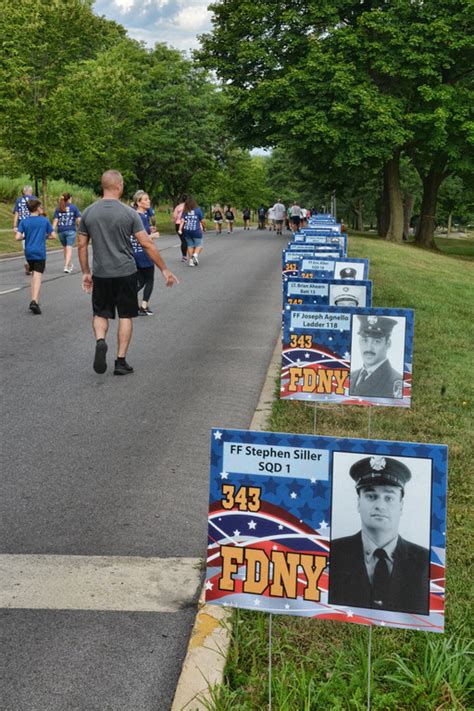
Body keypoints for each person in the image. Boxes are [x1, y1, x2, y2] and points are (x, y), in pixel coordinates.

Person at [77, 170, 178, 376]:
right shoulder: (129, 213)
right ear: (119, 186)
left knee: (100, 313)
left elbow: (81, 246)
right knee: (125, 315)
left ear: (103, 185)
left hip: (102, 273)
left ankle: (100, 340)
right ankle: (120, 361)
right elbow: (147, 244)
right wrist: (164, 269)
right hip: (125, 272)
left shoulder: (88, 212)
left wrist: (86, 272)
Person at [329, 456, 430, 614]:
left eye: (389, 497)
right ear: (358, 502)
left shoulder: (425, 561)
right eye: (371, 496)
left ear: (401, 506)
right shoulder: (331, 552)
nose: (380, 505)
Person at [15, 198, 55, 314]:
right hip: (39, 252)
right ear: (37, 208)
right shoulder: (44, 221)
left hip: (29, 252)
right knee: (37, 277)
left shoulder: (24, 221)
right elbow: (53, 236)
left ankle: (35, 300)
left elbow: (17, 237)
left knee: (33, 275)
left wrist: (25, 237)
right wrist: (45, 236)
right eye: (41, 207)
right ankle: (33, 301)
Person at [349, 316, 403, 398]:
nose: (369, 348)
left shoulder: (396, 381)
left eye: (377, 341)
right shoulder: (350, 376)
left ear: (388, 344)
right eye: (365, 340)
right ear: (359, 341)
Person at [131, 190, 159, 316]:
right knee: (149, 280)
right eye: (145, 199)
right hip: (143, 252)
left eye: (148, 199)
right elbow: (143, 238)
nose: (148, 201)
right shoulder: (141, 217)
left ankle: (126, 299)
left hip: (134, 252)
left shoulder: (134, 215)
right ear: (138, 202)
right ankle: (144, 306)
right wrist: (153, 235)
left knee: (140, 280)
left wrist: (149, 230)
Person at [52, 193, 81, 273]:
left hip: (61, 231)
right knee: (69, 249)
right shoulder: (74, 207)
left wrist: (52, 230)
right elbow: (78, 220)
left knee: (65, 249)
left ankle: (69, 264)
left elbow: (55, 220)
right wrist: (80, 228)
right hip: (71, 230)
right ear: (69, 199)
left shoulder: (59, 208)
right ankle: (66, 266)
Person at [12, 185, 37, 275]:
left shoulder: (19, 200)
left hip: (22, 224)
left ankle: (27, 262)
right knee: (34, 243)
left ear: (24, 191)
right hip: (33, 223)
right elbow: (37, 211)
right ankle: (32, 263)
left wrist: (15, 225)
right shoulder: (34, 198)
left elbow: (16, 213)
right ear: (31, 190)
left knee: (25, 245)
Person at [178, 195, 206, 267]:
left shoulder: (185, 211)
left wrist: (180, 229)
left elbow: (182, 220)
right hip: (196, 230)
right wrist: (204, 227)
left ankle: (191, 261)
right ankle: (195, 255)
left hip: (187, 230)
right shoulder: (198, 210)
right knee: (199, 245)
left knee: (190, 246)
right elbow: (202, 221)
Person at [172, 196, 188, 262]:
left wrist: (175, 220)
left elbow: (174, 216)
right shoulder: (189, 206)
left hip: (178, 224)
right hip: (188, 223)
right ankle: (192, 254)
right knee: (188, 240)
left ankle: (184, 256)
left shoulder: (178, 207)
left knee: (183, 240)